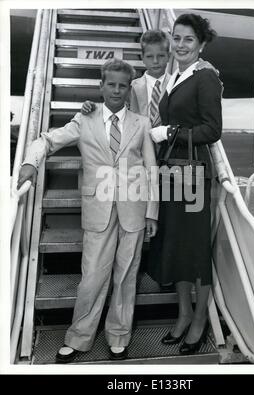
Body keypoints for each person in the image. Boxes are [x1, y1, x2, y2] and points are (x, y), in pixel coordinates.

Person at [17, 59, 158, 363]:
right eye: (111, 84)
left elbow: (151, 169)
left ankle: (119, 336)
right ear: (101, 86)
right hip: (98, 209)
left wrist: (152, 212)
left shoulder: (142, 122)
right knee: (92, 276)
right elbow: (48, 140)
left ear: (128, 88)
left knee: (126, 275)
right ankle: (79, 337)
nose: (117, 90)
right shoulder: (85, 120)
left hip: (134, 208)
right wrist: (30, 161)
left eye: (123, 85)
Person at [148, 13, 223, 355]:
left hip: (193, 171)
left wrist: (170, 132)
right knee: (175, 244)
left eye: (188, 40)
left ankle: (198, 321)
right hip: (172, 171)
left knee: (194, 249)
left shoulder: (205, 77)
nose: (180, 45)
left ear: (201, 44)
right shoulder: (175, 74)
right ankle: (183, 314)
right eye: (176, 38)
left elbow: (212, 130)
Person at [81, 29, 171, 128]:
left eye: (161, 56)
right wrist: (93, 109)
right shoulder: (130, 87)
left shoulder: (176, 84)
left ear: (169, 57)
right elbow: (113, 108)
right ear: (143, 58)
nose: (155, 61)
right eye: (149, 56)